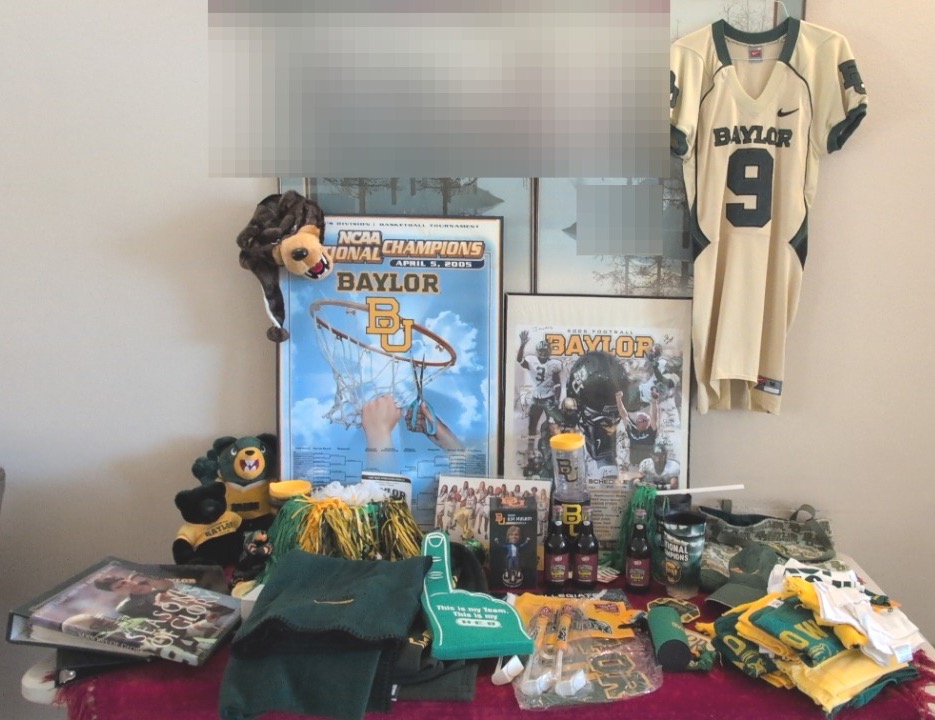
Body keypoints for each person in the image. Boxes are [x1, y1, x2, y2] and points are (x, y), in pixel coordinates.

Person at [516, 330, 562, 475]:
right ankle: (530, 449)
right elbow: (520, 360)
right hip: (537, 398)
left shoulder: (553, 364)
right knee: (532, 425)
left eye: (545, 352)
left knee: (553, 426)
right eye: (541, 352)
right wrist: (522, 345)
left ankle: (555, 450)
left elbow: (557, 383)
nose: (542, 354)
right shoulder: (532, 361)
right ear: (537, 352)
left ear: (548, 352)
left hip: (548, 398)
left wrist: (557, 399)